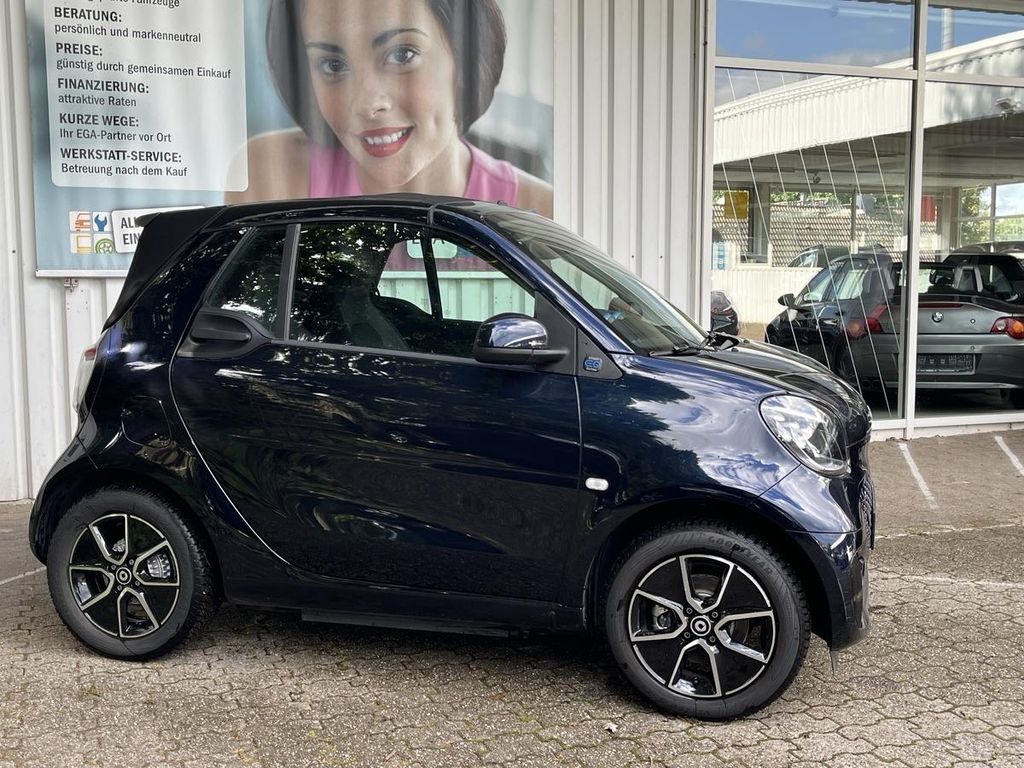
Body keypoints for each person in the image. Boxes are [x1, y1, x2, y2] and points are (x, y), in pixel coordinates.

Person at [227, 0, 553, 217]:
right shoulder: (269, 176)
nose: (368, 104)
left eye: (402, 54)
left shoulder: (543, 214)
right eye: (332, 65)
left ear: (465, 56)